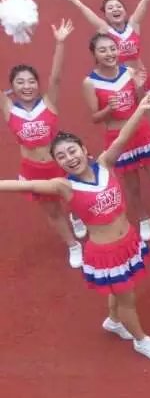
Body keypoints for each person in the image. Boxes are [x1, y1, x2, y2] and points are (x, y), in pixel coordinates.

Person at [0, 94, 150, 360]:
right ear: (57, 164)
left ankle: (113, 321)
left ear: (83, 149)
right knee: (127, 299)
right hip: (105, 253)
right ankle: (141, 340)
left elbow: (123, 135)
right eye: (61, 156)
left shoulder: (105, 163)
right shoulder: (64, 186)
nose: (69, 158)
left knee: (120, 290)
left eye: (72, 151)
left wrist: (141, 108)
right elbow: (27, 185)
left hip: (128, 241)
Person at [83, 34, 150, 241]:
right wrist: (108, 109)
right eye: (103, 50)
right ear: (94, 54)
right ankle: (143, 218)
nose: (109, 53)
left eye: (112, 48)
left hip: (143, 133)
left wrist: (141, 87)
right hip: (119, 138)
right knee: (133, 187)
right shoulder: (90, 83)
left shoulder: (129, 72)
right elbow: (95, 118)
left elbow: (142, 103)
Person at [2, 19, 84, 266]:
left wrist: (60, 43)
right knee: (52, 210)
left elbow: (56, 77)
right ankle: (73, 245)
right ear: (12, 87)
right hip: (33, 170)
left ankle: (77, 217)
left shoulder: (48, 102)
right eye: (20, 82)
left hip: (59, 163)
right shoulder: (8, 108)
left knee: (75, 197)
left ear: (38, 84)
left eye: (31, 81)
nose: (26, 86)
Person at [38, 0, 150, 89]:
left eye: (118, 6)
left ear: (124, 10)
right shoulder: (105, 30)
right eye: (110, 8)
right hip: (121, 82)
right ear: (105, 14)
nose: (115, 9)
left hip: (142, 76)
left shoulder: (134, 25)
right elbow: (81, 6)